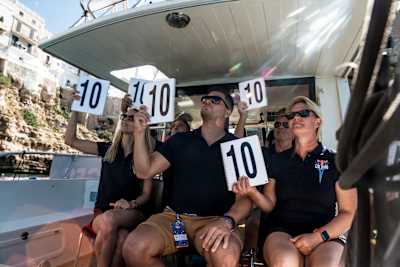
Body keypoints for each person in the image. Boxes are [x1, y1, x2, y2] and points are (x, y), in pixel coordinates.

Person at [122, 88, 252, 267]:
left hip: (216, 220)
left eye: (215, 100)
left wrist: (227, 221)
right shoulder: (179, 140)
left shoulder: (238, 147)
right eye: (205, 98)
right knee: (134, 248)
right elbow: (144, 171)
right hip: (174, 219)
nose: (207, 101)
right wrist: (138, 133)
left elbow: (246, 199)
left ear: (228, 111)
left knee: (225, 256)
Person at [233, 96, 357, 267]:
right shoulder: (277, 160)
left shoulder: (337, 161)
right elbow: (269, 204)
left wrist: (317, 237)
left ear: (317, 122)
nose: (295, 118)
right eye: (292, 116)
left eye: (303, 113)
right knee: (285, 262)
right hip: (282, 232)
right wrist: (252, 192)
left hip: (324, 234)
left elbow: (348, 212)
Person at [64, 93, 155, 267]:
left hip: (132, 212)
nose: (127, 119)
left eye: (132, 117)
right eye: (124, 116)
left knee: (110, 220)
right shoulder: (108, 150)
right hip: (103, 212)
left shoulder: (144, 157)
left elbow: (146, 194)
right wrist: (75, 111)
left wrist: (131, 203)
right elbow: (70, 140)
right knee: (120, 237)